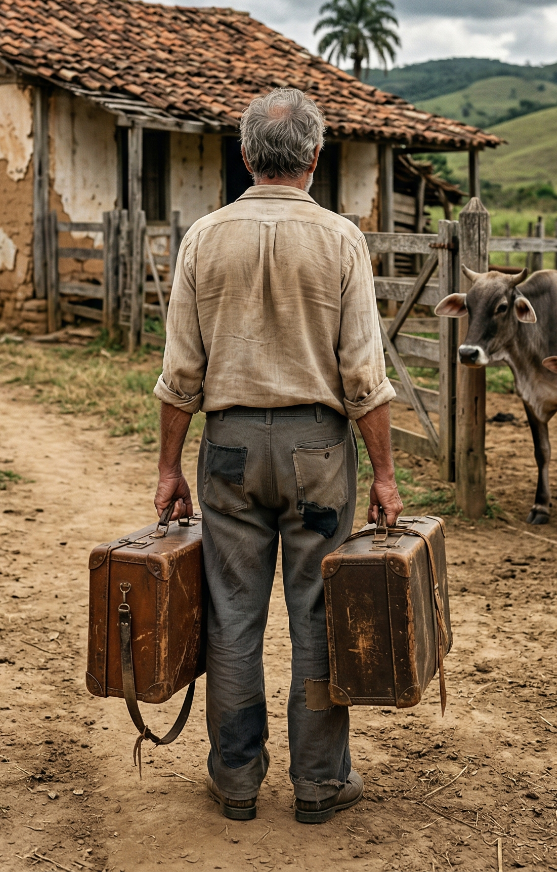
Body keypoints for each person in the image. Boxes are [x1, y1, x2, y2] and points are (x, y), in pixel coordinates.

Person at [153, 86, 402, 825]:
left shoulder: (204, 236)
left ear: (244, 155)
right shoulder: (340, 239)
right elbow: (364, 375)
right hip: (317, 451)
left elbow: (180, 374)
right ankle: (320, 785)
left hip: (228, 449)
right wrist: (384, 473)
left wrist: (169, 469)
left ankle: (235, 780)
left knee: (233, 616)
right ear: (315, 158)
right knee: (321, 614)